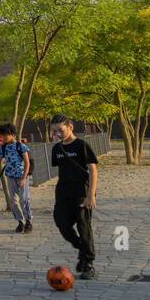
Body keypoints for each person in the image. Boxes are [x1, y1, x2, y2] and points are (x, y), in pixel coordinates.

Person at [49, 116, 98, 280]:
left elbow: (93, 170)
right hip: (63, 191)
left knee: (84, 226)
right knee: (61, 222)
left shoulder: (82, 146)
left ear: (70, 126)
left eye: (60, 130)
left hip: (81, 191)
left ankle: (88, 263)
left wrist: (90, 195)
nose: (57, 134)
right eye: (54, 131)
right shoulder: (57, 149)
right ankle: (82, 249)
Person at [0, 124, 34, 233]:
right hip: (10, 177)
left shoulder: (21, 146)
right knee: (13, 201)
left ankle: (28, 221)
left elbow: (27, 163)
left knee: (24, 199)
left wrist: (24, 177)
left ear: (12, 134)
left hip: (22, 176)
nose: (2, 137)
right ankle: (20, 222)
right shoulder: (3, 148)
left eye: (4, 135)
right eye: (1, 135)